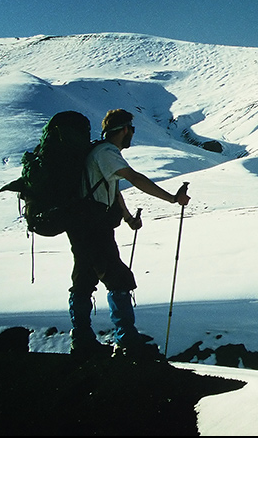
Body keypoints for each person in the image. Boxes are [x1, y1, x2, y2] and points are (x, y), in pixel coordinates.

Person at [66, 109, 191, 359]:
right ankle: (126, 340)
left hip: (82, 225)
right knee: (119, 278)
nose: (132, 134)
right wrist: (172, 199)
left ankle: (81, 339)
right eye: (131, 129)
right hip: (94, 227)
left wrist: (127, 218)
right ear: (124, 129)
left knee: (84, 279)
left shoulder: (97, 152)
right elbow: (133, 178)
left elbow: (113, 189)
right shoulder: (107, 153)